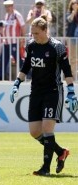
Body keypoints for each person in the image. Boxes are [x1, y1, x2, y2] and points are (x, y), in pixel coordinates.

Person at [10, 15, 73, 176]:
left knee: (46, 128)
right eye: (32, 33)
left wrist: (71, 90)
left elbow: (67, 70)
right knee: (34, 132)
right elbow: (25, 67)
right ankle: (61, 152)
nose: (33, 36)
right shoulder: (31, 45)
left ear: (46, 30)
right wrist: (17, 83)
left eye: (36, 33)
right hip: (36, 92)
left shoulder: (57, 47)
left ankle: (45, 168)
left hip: (53, 92)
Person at [3, 0, 26, 80]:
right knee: (4, 59)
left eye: (9, 6)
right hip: (6, 42)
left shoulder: (17, 15)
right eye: (6, 6)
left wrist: (22, 40)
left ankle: (27, 74)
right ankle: (1, 76)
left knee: (18, 60)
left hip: (14, 42)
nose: (7, 8)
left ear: (13, 6)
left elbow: (23, 27)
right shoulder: (6, 15)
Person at [66, 0, 78, 80]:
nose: (75, 4)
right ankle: (73, 75)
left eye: (77, 3)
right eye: (74, 3)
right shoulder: (69, 13)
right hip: (72, 37)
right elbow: (69, 20)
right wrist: (74, 12)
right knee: (72, 57)